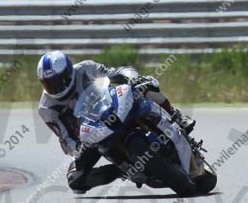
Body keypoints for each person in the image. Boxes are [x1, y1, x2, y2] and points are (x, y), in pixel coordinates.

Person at [37, 50, 196, 193]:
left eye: (57, 82)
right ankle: (123, 169)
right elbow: (65, 140)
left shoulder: (86, 68)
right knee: (75, 180)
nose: (54, 88)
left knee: (144, 83)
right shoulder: (46, 108)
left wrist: (131, 77)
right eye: (48, 84)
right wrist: (78, 148)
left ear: (68, 74)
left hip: (112, 108)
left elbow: (117, 72)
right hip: (91, 135)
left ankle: (176, 115)